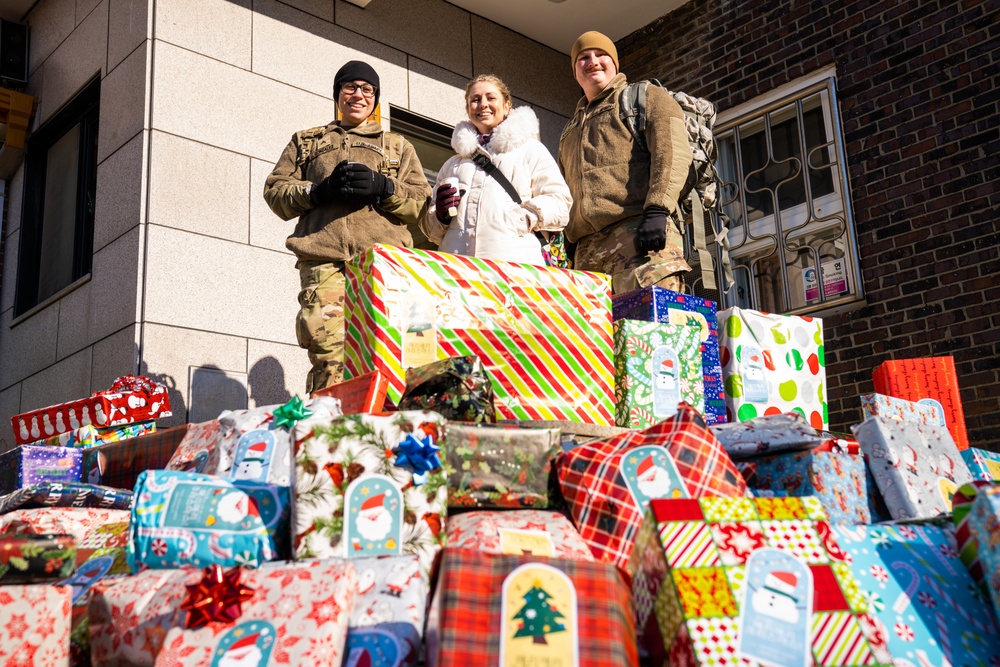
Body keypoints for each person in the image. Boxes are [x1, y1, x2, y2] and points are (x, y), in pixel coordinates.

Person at [264, 60, 432, 394]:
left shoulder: (397, 145)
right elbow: (275, 192)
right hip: (324, 262)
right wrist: (318, 191)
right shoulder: (307, 142)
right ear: (338, 94)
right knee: (329, 355)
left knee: (390, 351)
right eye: (350, 87)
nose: (359, 94)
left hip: (382, 264)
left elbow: (420, 204)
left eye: (367, 89)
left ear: (376, 99)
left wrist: (384, 188)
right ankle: (331, 436)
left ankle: (388, 436)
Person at [558, 31, 693, 294]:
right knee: (598, 335)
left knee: (655, 331)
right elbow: (564, 193)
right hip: (586, 255)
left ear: (615, 64)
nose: (593, 61)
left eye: (601, 55)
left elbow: (673, 152)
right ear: (575, 72)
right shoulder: (569, 130)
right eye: (583, 58)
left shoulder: (644, 97)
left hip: (640, 237)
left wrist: (658, 209)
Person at [421, 75, 571, 265]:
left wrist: (518, 219)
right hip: (458, 271)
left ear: (507, 105)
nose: (483, 104)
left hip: (514, 269)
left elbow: (560, 202)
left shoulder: (530, 150)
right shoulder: (452, 164)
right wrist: (440, 215)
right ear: (468, 109)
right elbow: (431, 232)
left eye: (491, 98)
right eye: (475, 100)